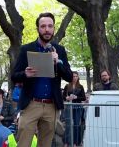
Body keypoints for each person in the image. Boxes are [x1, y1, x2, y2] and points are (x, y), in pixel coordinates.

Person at [11, 12, 73, 147]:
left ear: (54, 29)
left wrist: (58, 62)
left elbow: (69, 77)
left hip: (51, 106)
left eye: (50, 26)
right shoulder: (26, 49)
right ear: (38, 29)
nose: (47, 29)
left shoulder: (60, 50)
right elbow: (14, 76)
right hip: (31, 104)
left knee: (45, 144)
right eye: (43, 26)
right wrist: (25, 74)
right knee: (23, 144)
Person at [62, 71, 86, 147]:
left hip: (78, 107)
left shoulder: (80, 86)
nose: (74, 78)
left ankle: (76, 142)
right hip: (69, 107)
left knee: (76, 125)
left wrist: (76, 97)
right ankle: (66, 142)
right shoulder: (67, 86)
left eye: (76, 76)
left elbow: (84, 97)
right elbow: (63, 97)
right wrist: (67, 98)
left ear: (78, 77)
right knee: (68, 124)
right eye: (73, 76)